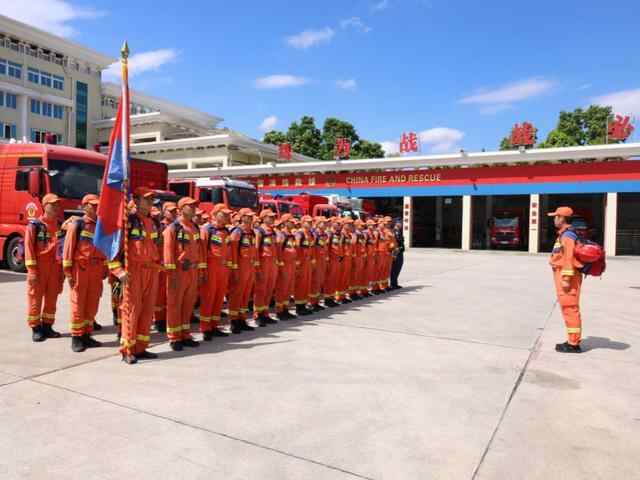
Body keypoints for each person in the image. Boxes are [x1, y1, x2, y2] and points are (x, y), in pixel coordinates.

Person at [110, 187, 163, 363]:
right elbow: (113, 248)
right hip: (133, 271)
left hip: (151, 270)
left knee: (147, 311)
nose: (150, 202)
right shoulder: (128, 221)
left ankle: (140, 347)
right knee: (131, 310)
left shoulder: (154, 223)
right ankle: (127, 349)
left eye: (152, 199)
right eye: (146, 199)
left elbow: (157, 246)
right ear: (136, 200)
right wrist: (118, 270)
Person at [62, 194, 107, 352]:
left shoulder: (101, 226)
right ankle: (77, 337)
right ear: (85, 206)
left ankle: (87, 334)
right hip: (81, 269)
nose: (96, 208)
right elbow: (68, 249)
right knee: (78, 303)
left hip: (96, 269)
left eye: (97, 205)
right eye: (93, 205)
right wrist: (68, 272)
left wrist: (105, 268)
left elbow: (104, 248)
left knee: (92, 303)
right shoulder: (78, 224)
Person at [163, 196, 206, 351]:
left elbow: (199, 250)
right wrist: (171, 274)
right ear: (181, 209)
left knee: (188, 304)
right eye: (190, 206)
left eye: (194, 206)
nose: (194, 209)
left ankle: (185, 334)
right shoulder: (173, 228)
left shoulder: (195, 228)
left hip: (192, 271)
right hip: (178, 272)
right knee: (175, 304)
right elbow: (168, 252)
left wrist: (200, 271)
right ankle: (174, 337)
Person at [24, 193, 64, 342]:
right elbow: (29, 249)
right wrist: (32, 271)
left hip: (55, 267)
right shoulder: (34, 226)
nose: (56, 207)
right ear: (44, 206)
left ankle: (47, 326)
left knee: (52, 298)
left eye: (57, 204)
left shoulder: (60, 225)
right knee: (35, 297)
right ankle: (35, 328)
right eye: (52, 204)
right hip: (40, 267)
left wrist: (62, 271)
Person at [548, 206, 584, 354]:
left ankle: (573, 344)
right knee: (567, 307)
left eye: (556, 217)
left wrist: (566, 279)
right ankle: (572, 340)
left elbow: (568, 258)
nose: (554, 219)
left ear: (562, 218)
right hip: (563, 274)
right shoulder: (564, 234)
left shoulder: (567, 236)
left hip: (567, 277)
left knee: (570, 307)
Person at [199, 203, 233, 340]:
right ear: (215, 214)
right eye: (224, 214)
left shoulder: (226, 231)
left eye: (227, 214)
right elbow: (202, 251)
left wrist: (229, 268)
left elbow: (229, 250)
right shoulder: (207, 229)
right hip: (211, 267)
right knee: (209, 297)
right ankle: (205, 328)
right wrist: (203, 271)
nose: (227, 216)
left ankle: (214, 325)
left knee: (219, 297)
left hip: (223, 268)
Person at [228, 208, 258, 334]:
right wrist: (234, 269)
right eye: (248, 216)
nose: (250, 218)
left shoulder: (252, 232)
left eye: (251, 216)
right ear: (242, 217)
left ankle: (242, 319)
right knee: (237, 294)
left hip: (249, 267)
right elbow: (233, 252)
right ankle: (234, 321)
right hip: (240, 267)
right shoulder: (237, 232)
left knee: (246, 294)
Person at [153, 202, 177, 333]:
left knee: (171, 292)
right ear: (164, 212)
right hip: (160, 263)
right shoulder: (160, 226)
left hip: (173, 263)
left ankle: (168, 318)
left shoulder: (178, 227)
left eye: (175, 211)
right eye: (170, 211)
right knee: (160, 293)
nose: (173, 214)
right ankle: (159, 319)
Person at [253, 209, 279, 326]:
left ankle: (265, 313)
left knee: (269, 289)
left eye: (273, 217)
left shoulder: (272, 231)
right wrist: (257, 267)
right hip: (263, 263)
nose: (273, 218)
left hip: (272, 263)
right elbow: (256, 249)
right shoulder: (259, 231)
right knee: (261, 289)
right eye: (270, 217)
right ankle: (258, 314)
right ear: (263, 218)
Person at [274, 214, 298, 320]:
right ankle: (279, 311)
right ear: (285, 222)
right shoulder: (281, 234)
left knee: (288, 288)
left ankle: (285, 308)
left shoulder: (291, 234)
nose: (293, 224)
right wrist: (280, 263)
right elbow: (278, 250)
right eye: (291, 222)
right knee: (282, 288)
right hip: (284, 264)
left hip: (291, 263)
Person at [294, 215, 315, 316]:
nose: (310, 224)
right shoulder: (299, 233)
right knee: (300, 284)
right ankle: (299, 307)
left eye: (311, 222)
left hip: (307, 262)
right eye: (308, 222)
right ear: (303, 223)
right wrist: (298, 261)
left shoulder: (310, 234)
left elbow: (311, 247)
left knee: (306, 284)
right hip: (301, 262)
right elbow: (297, 247)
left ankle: (303, 304)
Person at [390, 219, 405, 289]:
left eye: (401, 223)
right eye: (400, 223)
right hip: (396, 252)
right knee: (394, 268)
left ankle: (395, 283)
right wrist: (395, 250)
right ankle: (393, 284)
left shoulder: (399, 231)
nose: (401, 224)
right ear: (396, 223)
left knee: (398, 267)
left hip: (400, 251)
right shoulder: (393, 231)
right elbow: (393, 242)